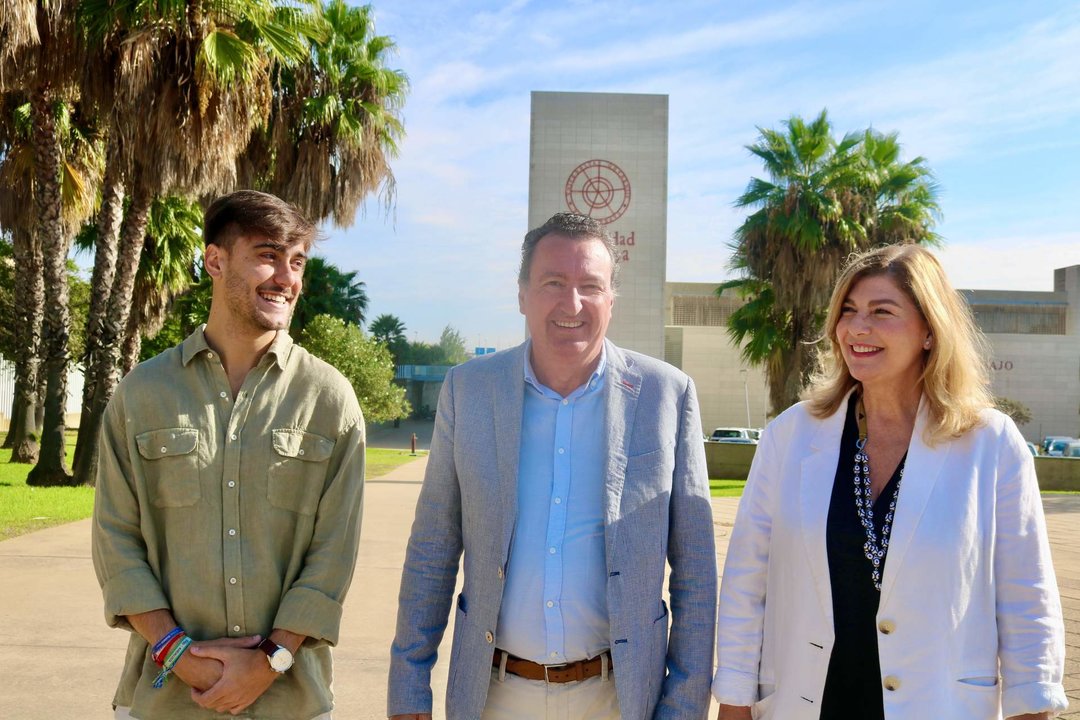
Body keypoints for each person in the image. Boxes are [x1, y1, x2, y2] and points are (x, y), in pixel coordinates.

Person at [713, 244, 1068, 720]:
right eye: (848, 311)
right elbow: (745, 582)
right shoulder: (790, 436)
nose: (857, 328)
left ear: (929, 329)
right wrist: (734, 699)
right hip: (809, 702)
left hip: (939, 705)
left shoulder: (991, 443)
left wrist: (1034, 707)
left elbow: (1027, 596)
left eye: (882, 312)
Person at [387, 212, 717, 720]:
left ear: (612, 300)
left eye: (591, 285)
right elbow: (433, 549)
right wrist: (409, 689)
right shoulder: (468, 391)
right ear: (522, 295)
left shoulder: (666, 394)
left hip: (621, 697)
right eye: (553, 283)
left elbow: (695, 571)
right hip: (496, 695)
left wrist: (684, 705)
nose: (572, 303)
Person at [92, 190, 366, 719]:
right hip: (165, 700)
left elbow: (333, 556)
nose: (286, 277)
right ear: (215, 261)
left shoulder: (329, 399)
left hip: (292, 702)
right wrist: (179, 655)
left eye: (297, 261)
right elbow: (116, 541)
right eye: (267, 255)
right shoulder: (143, 393)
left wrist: (269, 661)